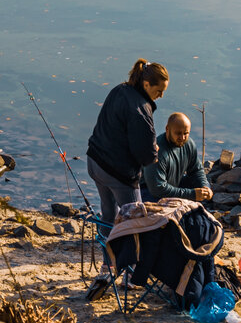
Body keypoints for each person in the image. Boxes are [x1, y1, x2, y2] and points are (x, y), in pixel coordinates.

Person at [83, 59, 169, 301]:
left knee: (108, 216)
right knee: (136, 223)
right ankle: (130, 273)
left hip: (95, 163)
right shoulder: (142, 110)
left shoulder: (120, 90)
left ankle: (106, 266)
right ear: (145, 83)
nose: (160, 96)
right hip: (119, 175)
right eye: (158, 91)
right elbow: (146, 156)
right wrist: (154, 150)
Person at [142, 112, 212, 202]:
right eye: (178, 133)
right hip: (149, 192)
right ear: (167, 129)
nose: (182, 137)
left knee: (203, 187)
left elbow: (196, 170)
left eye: (186, 133)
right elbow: (157, 189)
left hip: (173, 184)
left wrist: (204, 187)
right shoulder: (157, 151)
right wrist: (192, 194)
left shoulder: (189, 144)